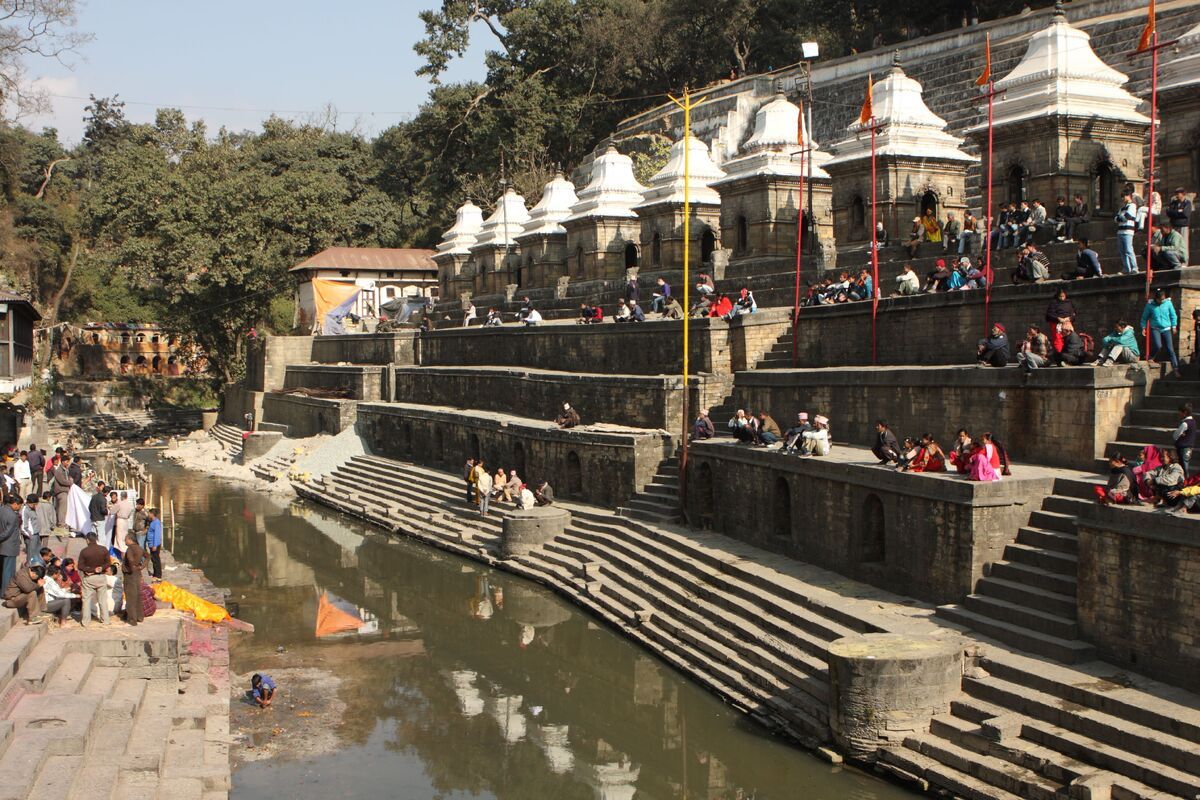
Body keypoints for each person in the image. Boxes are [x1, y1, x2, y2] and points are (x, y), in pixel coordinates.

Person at [1140, 288, 1179, 373]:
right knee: (1158, 345)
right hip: (1155, 328)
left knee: (1170, 349)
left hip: (1166, 328)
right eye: (1160, 299)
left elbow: (1173, 315)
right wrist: (1143, 328)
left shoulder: (1168, 303)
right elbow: (1144, 318)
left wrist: (1174, 326)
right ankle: (1151, 357)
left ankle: (1176, 368)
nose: (1162, 301)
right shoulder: (1150, 305)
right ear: (1156, 299)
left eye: (1163, 299)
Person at [78, 532, 110, 627]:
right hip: (101, 577)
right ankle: (105, 620)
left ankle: (86, 621)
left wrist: (90, 570)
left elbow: (80, 566)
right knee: (103, 600)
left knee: (86, 600)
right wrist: (100, 568)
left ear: (87, 540)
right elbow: (108, 563)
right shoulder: (103, 549)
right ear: (96, 539)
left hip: (89, 578)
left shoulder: (84, 551)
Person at [120, 532, 144, 626]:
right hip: (137, 574)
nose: (125, 541)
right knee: (137, 595)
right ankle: (139, 616)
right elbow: (147, 556)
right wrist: (141, 567)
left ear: (130, 539)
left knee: (130, 597)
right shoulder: (139, 548)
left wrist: (130, 568)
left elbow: (130, 559)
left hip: (130, 575)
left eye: (126, 539)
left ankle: (132, 619)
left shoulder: (130, 549)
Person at [0, 495, 20, 596]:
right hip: (10, 546)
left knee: (3, 569)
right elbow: (8, 532)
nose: (19, 507)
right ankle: (5, 593)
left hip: (3, 546)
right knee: (8, 571)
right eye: (19, 505)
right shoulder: (13, 515)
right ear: (15, 504)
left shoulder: (2, 509)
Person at [1115, 190, 1139, 273]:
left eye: (1123, 196)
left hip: (1128, 231)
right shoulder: (1122, 208)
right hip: (1120, 232)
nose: (1122, 198)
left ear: (1128, 195)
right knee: (1122, 251)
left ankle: (1134, 268)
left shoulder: (1132, 206)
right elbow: (1116, 218)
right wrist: (1121, 217)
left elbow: (1127, 216)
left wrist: (1120, 217)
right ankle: (1126, 268)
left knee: (1129, 250)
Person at [1166, 187, 1192, 264]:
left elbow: (1185, 214)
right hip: (1174, 225)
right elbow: (1169, 212)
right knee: (1175, 243)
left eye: (1178, 194)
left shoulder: (1187, 203)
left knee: (1183, 244)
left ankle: (1185, 261)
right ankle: (1177, 261)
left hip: (1183, 226)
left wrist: (1175, 213)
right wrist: (1178, 212)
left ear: (1183, 194)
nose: (1177, 195)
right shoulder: (1173, 203)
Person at [1174, 404, 1197, 476]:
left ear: (1185, 412)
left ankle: (1185, 482)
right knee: (1184, 466)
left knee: (1183, 467)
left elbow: (1175, 436)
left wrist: (1181, 434)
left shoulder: (1185, 424)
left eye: (1180, 412)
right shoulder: (1193, 421)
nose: (1179, 413)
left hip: (1183, 448)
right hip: (1188, 448)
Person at [20, 493, 41, 567]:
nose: (35, 506)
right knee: (31, 557)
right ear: (30, 503)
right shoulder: (25, 510)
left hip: (36, 534)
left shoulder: (32, 509)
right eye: (34, 504)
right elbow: (23, 527)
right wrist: (30, 535)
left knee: (36, 554)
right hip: (31, 536)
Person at [52, 457, 71, 531]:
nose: (67, 463)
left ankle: (62, 522)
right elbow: (62, 481)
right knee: (62, 509)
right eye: (66, 461)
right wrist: (70, 482)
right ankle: (61, 523)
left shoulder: (65, 470)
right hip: (61, 491)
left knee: (63, 508)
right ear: (62, 462)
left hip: (64, 491)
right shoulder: (59, 471)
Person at [145, 508, 163, 580]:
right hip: (151, 543)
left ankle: (158, 575)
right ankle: (155, 574)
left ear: (152, 514)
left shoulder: (156, 523)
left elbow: (157, 534)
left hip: (154, 544)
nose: (148, 515)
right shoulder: (152, 522)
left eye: (149, 513)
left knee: (156, 559)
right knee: (153, 559)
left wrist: (155, 545)